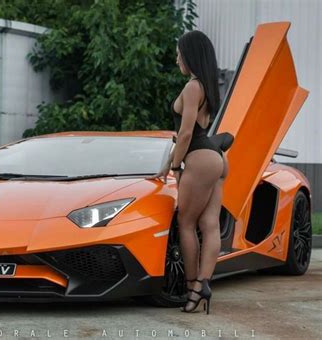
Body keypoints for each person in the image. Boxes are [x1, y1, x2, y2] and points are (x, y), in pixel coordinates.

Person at [147, 30, 228, 314]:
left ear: (189, 54)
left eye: (179, 52)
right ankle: (204, 284)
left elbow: (185, 133)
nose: (176, 57)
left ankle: (192, 285)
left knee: (186, 223)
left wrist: (174, 164)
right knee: (210, 225)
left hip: (199, 157)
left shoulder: (192, 87)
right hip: (216, 157)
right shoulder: (208, 86)